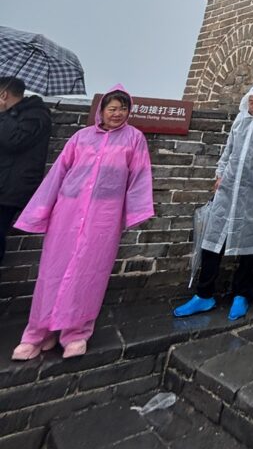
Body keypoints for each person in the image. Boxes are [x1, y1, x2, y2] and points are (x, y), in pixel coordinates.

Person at [11, 86, 154, 360]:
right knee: (52, 270)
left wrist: (136, 212)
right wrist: (41, 210)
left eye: (123, 109)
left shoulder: (134, 139)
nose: (117, 113)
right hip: (67, 212)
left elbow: (139, 177)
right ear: (101, 110)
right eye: (112, 108)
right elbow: (58, 174)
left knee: (90, 273)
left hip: (104, 217)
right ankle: (38, 332)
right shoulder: (81, 137)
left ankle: (75, 333)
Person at [174, 80, 253, 321]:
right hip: (228, 187)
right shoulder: (241, 119)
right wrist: (220, 173)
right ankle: (204, 294)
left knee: (249, 242)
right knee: (213, 238)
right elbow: (229, 149)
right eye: (251, 102)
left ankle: (241, 294)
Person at [0, 76, 52, 274]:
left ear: (4, 94)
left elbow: (15, 141)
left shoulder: (36, 115)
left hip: (9, 191)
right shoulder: (11, 114)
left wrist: (2, 114)